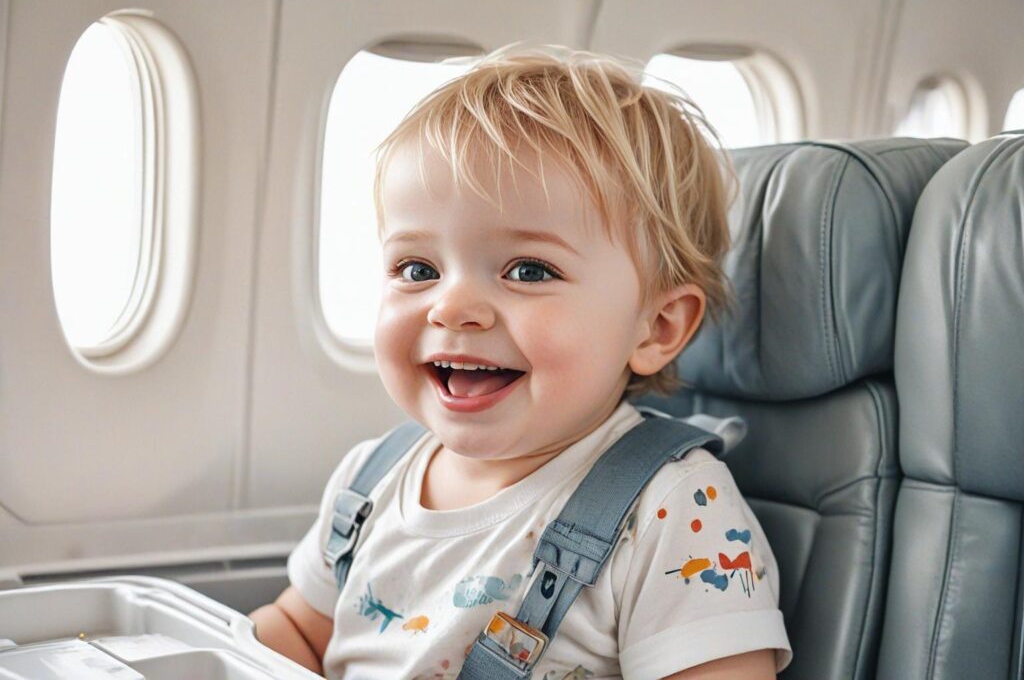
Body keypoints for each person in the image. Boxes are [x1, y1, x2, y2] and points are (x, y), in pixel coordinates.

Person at [249, 45, 791, 679]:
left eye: (529, 270)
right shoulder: (368, 483)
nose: (452, 308)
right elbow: (301, 633)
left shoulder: (675, 511)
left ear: (657, 326)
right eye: (417, 269)